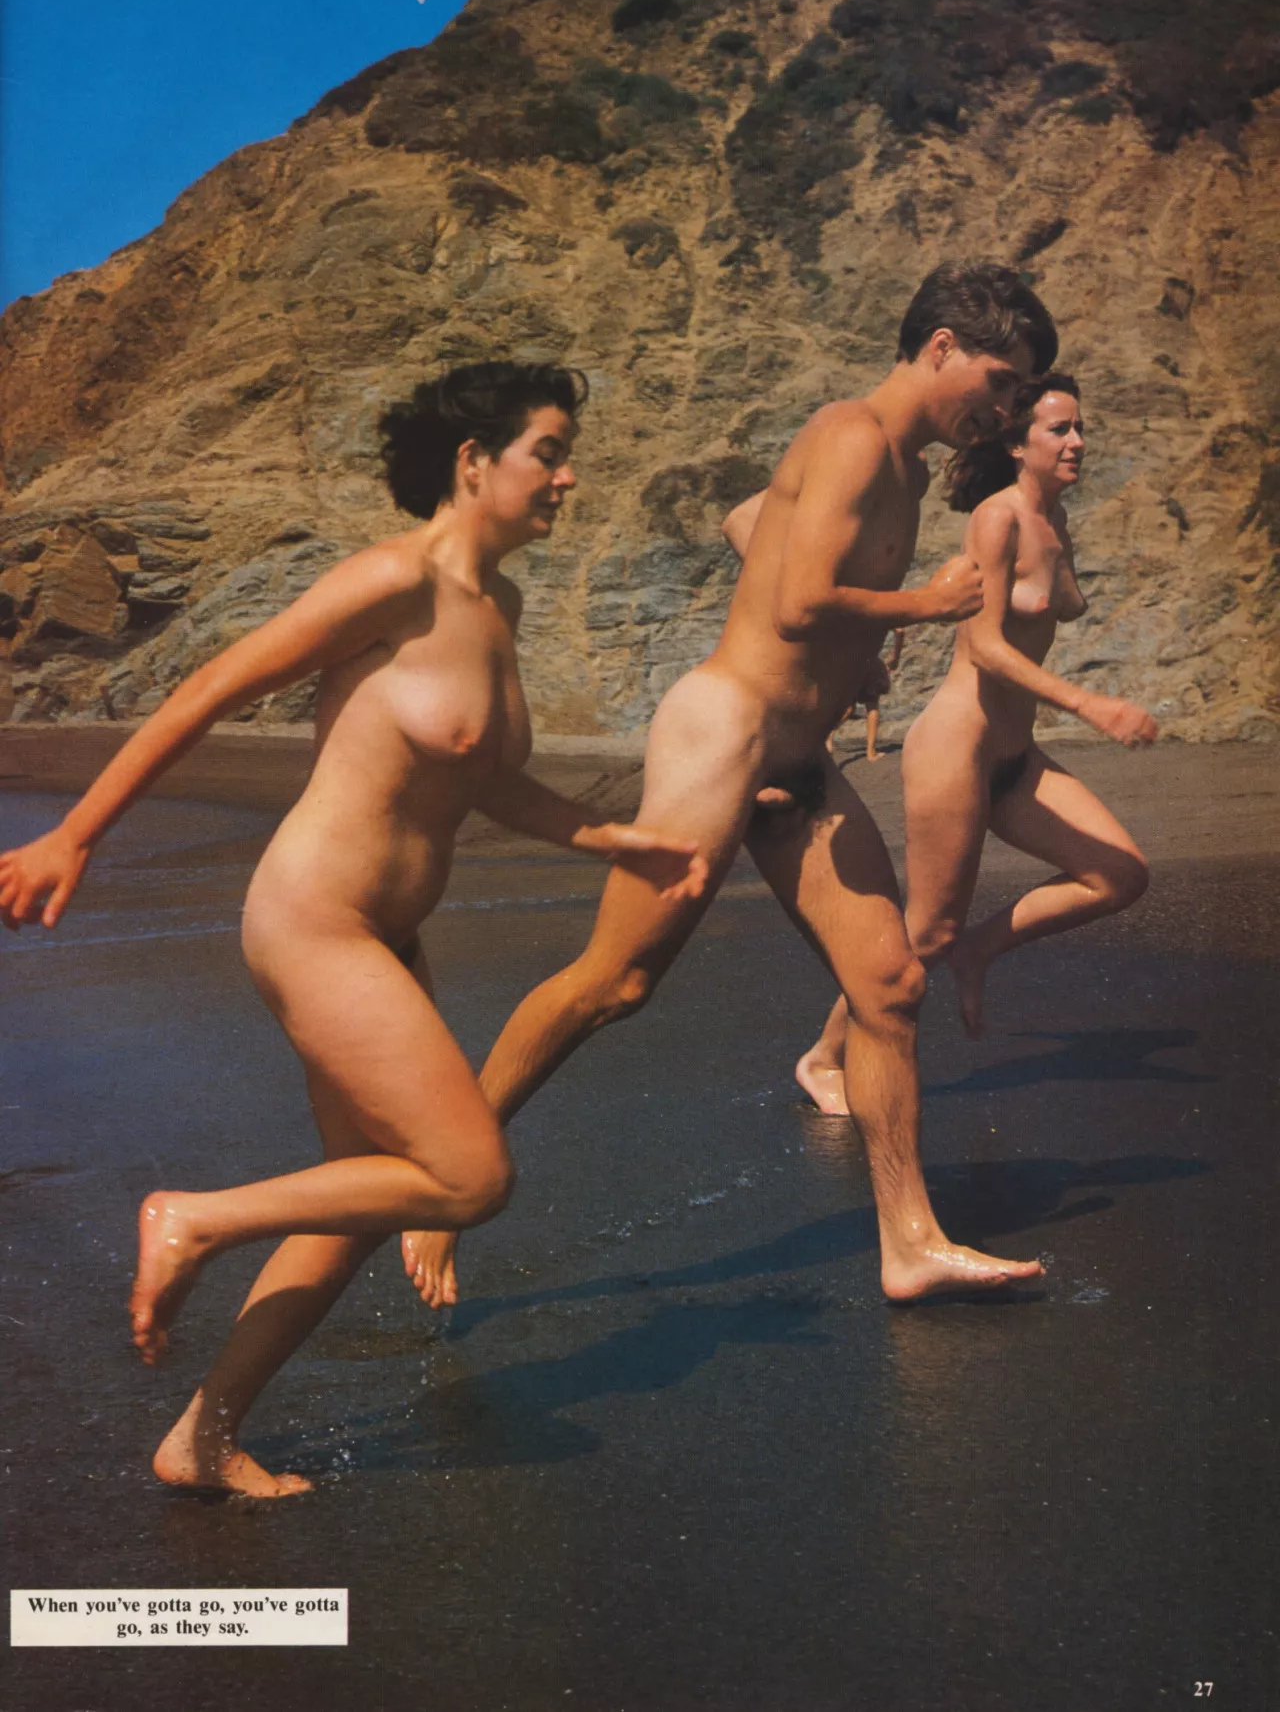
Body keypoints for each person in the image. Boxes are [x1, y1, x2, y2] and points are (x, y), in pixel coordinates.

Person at [0, 361, 706, 1497]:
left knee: (359, 1199)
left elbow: (488, 781)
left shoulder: (499, 607)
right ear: (473, 462)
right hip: (313, 922)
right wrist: (73, 836)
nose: (568, 477)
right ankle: (195, 1218)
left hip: (387, 937)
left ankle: (202, 1437)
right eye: (548, 451)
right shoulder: (392, 581)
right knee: (467, 1177)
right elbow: (211, 689)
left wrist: (616, 840)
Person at [402, 260, 1059, 1311]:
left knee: (889, 985)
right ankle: (444, 1174)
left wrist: (857, 650)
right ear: (940, 347)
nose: (1006, 408)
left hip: (796, 757)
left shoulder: (894, 461)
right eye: (998, 379)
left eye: (1020, 391)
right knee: (614, 984)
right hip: (725, 734)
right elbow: (796, 599)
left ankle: (910, 1241)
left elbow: (755, 520)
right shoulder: (850, 434)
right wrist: (921, 607)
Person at [784, 372, 1157, 1114]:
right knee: (924, 932)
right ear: (1018, 444)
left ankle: (980, 948)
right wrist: (1089, 703)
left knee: (1119, 875)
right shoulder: (997, 518)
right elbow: (984, 646)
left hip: (1013, 758)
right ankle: (823, 1057)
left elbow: (1055, 604)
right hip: (956, 750)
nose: (1077, 442)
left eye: (1080, 428)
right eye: (1060, 429)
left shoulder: (1054, 521)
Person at [863, 628, 905, 761]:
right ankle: (870, 752)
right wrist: (895, 657)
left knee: (846, 707)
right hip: (869, 660)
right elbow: (900, 631)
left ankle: (827, 738)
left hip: (847, 660)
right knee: (872, 704)